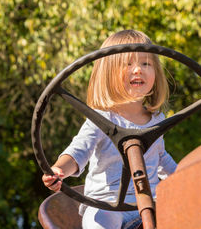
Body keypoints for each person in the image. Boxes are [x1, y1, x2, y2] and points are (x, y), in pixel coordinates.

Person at [42, 30, 177, 229]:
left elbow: (161, 157)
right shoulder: (101, 119)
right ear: (108, 74)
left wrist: (185, 176)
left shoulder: (156, 119)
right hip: (107, 204)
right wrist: (60, 170)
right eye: (128, 64)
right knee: (101, 222)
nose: (138, 70)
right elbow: (78, 151)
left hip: (150, 201)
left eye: (146, 63)